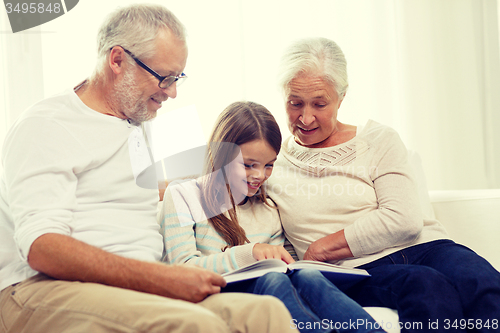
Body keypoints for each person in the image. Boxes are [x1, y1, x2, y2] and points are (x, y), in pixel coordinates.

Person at [0, 4, 295, 333]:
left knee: (267, 314)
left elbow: (112, 191)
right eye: (165, 78)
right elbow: (42, 247)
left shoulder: (132, 126)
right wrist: (161, 276)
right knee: (195, 324)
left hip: (133, 289)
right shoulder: (47, 125)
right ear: (117, 60)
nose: (172, 92)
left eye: (178, 78)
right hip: (40, 288)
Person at [265, 37, 500, 332]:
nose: (306, 117)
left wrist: (322, 247)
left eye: (320, 104)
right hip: (357, 270)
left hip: (427, 247)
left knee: (485, 284)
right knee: (428, 290)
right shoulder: (270, 165)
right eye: (294, 103)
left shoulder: (379, 139)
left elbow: (403, 219)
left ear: (342, 97)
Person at [161, 101, 386, 333]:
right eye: (248, 165)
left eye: (269, 165)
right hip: (213, 294)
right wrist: (251, 253)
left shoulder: (268, 208)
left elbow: (282, 267)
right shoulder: (183, 196)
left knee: (309, 277)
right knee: (273, 280)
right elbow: (182, 269)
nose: (260, 176)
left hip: (268, 292)